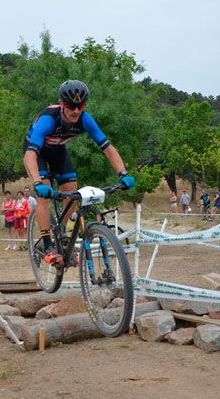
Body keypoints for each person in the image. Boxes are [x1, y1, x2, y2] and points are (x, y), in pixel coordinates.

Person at [22, 80, 135, 267]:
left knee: (73, 193)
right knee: (44, 194)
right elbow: (30, 154)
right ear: (61, 104)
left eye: (80, 106)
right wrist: (37, 183)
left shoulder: (84, 119)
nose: (75, 111)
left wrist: (123, 173)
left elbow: (106, 147)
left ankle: (62, 233)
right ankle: (48, 244)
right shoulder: (48, 119)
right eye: (70, 106)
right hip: (36, 152)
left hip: (58, 151)